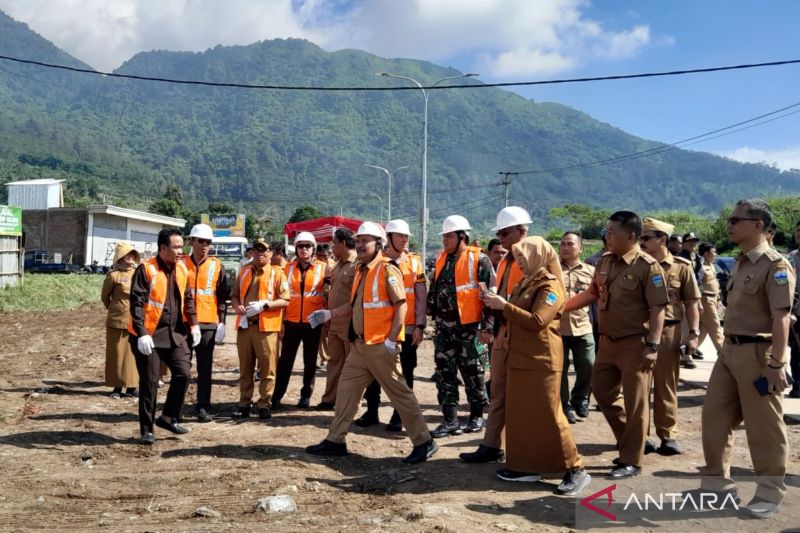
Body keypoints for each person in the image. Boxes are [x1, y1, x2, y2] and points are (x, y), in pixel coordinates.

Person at [305, 221, 438, 464]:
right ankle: (335, 439)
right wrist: (330, 314)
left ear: (379, 244)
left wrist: (390, 340)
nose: (360, 244)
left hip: (380, 347)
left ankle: (424, 441)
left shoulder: (388, 269)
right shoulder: (361, 270)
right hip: (360, 346)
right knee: (346, 390)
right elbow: (356, 305)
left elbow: (401, 306)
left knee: (400, 394)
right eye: (358, 240)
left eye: (366, 240)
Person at [699, 199, 795, 519]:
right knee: (714, 417)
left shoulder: (775, 264)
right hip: (729, 351)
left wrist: (776, 365)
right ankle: (716, 484)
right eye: (729, 218)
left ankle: (769, 493)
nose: (730, 224)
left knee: (763, 428)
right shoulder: (741, 262)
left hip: (758, 353)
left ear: (758, 225)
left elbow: (782, 318)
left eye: (736, 219)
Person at [480, 237, 591, 495]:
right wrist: (495, 304)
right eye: (517, 256)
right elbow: (514, 315)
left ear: (539, 255)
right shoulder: (526, 282)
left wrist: (504, 305)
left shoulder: (551, 284)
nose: (519, 261)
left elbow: (539, 320)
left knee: (550, 416)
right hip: (521, 358)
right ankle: (526, 466)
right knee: (522, 416)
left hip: (542, 360)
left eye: (523, 256)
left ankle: (576, 469)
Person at [564, 211, 668, 479]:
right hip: (607, 342)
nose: (607, 236)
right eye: (606, 231)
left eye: (612, 232)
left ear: (631, 236)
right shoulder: (606, 262)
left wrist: (653, 346)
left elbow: (658, 308)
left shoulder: (647, 266)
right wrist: (558, 309)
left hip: (635, 343)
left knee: (636, 403)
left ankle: (631, 459)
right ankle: (631, 441)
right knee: (602, 392)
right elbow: (591, 294)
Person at [460, 207, 529, 462]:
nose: (500, 237)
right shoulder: (506, 261)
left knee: (519, 398)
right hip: (503, 333)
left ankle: (522, 454)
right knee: (498, 394)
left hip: (521, 334)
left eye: (505, 232)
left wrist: (504, 305)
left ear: (522, 231)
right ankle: (490, 446)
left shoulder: (530, 260)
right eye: (498, 232)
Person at [128, 228, 200, 445]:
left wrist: (194, 325)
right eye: (176, 247)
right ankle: (147, 429)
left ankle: (168, 417)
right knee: (149, 382)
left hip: (175, 334)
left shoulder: (182, 270)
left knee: (184, 374)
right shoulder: (146, 269)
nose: (181, 251)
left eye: (182, 246)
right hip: (149, 336)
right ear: (162, 248)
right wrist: (141, 333)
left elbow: (188, 299)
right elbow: (136, 303)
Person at [428, 215, 494, 438]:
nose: (445, 240)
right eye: (444, 236)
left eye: (449, 236)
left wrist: (487, 327)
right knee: (445, 375)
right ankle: (450, 420)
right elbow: (434, 289)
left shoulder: (480, 260)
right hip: (444, 329)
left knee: (473, 374)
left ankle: (476, 417)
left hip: (470, 329)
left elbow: (489, 296)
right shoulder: (441, 259)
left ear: (462, 236)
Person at [639, 218, 701, 456]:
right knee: (638, 387)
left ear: (662, 240)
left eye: (646, 238)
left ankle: (668, 435)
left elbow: (692, 303)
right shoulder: (637, 264)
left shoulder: (681, 267)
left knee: (666, 385)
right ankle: (640, 436)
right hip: (639, 332)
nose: (641, 242)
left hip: (668, 332)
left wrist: (693, 334)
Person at [358, 219, 427, 430]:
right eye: (400, 236)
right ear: (388, 239)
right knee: (374, 372)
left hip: (406, 327)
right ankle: (371, 411)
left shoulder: (415, 262)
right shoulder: (377, 261)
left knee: (405, 372)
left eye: (406, 237)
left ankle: (399, 417)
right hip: (380, 328)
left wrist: (420, 325)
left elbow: (421, 296)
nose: (405, 240)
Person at [230, 238, 290, 419]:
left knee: (267, 368)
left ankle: (264, 403)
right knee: (245, 368)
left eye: (264, 251)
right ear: (251, 253)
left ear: (271, 253)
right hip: (245, 327)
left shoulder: (277, 273)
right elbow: (233, 296)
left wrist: (265, 305)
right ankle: (244, 403)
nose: (260, 254)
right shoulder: (244, 272)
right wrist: (237, 306)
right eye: (256, 251)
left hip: (267, 328)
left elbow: (285, 300)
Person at [272, 232, 330, 409]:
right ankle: (276, 396)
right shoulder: (287, 268)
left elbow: (328, 293)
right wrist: (280, 322)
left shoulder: (324, 267)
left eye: (307, 246)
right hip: (291, 321)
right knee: (285, 361)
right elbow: (281, 296)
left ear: (313, 248)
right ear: (296, 248)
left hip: (313, 322)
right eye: (300, 246)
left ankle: (306, 396)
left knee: (310, 361)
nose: (304, 249)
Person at [183, 224, 228, 422]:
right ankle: (176, 405)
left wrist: (222, 322)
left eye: (208, 242)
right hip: (183, 323)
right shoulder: (180, 264)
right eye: (200, 241)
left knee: (205, 367)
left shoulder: (217, 266)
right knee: (182, 368)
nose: (204, 245)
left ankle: (202, 405)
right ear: (191, 241)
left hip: (208, 323)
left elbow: (222, 296)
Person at [316, 229, 358, 410]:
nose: (332, 246)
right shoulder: (338, 265)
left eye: (334, 242)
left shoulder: (357, 265)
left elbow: (356, 299)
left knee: (351, 367)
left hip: (349, 325)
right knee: (334, 363)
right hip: (334, 323)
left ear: (343, 243)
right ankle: (329, 400)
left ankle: (348, 403)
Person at [557, 232, 595, 424]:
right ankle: (564, 406)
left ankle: (580, 399)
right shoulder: (552, 270)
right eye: (562, 244)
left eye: (569, 244)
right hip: (557, 328)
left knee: (589, 365)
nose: (564, 247)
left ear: (580, 248)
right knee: (560, 370)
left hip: (583, 327)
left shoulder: (591, 271)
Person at [101, 242, 141, 399]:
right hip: (117, 322)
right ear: (120, 258)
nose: (131, 257)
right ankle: (117, 388)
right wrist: (116, 310)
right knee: (116, 355)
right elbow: (105, 298)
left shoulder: (139, 273)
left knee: (133, 355)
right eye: (127, 255)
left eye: (132, 254)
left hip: (136, 321)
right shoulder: (113, 275)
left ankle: (132, 387)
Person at [697, 242, 725, 355]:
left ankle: (686, 352)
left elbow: (714, 284)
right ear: (706, 253)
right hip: (705, 300)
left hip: (713, 299)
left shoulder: (712, 265)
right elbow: (697, 285)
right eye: (713, 252)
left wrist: (718, 299)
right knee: (715, 326)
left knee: (703, 330)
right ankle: (723, 352)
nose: (715, 254)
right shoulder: (700, 267)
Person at [787, 221, 800, 398]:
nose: (799, 234)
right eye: (798, 231)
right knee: (796, 350)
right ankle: (797, 384)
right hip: (796, 312)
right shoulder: (790, 258)